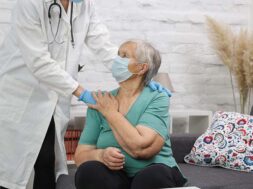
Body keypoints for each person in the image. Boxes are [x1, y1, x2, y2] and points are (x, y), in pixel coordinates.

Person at [0, 1, 169, 189]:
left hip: (53, 98)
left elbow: (103, 46)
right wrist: (82, 93)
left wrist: (143, 75)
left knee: (47, 164)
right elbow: (38, 61)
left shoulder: (84, 5)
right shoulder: (29, 4)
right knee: (13, 169)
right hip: (22, 95)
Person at [74, 39, 187, 189]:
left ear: (141, 68)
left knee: (151, 177)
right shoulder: (101, 101)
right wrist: (100, 155)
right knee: (88, 171)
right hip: (116, 177)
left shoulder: (157, 97)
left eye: (124, 56)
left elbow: (140, 147)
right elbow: (81, 156)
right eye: (118, 55)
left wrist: (110, 112)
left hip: (154, 172)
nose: (116, 60)